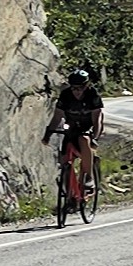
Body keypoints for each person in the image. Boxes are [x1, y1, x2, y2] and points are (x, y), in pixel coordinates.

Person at [46, 63, 105, 210]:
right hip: (71, 128)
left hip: (88, 128)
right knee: (65, 162)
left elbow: (97, 119)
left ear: (87, 86)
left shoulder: (93, 95)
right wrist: (48, 133)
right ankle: (70, 197)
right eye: (74, 88)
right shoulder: (65, 95)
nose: (77, 91)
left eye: (80, 88)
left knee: (84, 139)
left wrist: (95, 138)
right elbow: (57, 116)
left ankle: (89, 178)